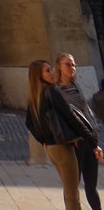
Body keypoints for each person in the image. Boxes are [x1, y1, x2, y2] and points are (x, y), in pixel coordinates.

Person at [26, 58, 99, 210]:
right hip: (62, 148)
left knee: (69, 190)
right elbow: (71, 117)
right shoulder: (51, 91)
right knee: (73, 195)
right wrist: (93, 143)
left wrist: (44, 141)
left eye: (51, 69)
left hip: (51, 150)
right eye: (47, 70)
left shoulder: (35, 94)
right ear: (38, 75)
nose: (52, 72)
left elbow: (29, 123)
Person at [55, 52, 103, 210]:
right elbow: (60, 118)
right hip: (75, 143)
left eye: (73, 64)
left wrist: (94, 130)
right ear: (59, 67)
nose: (72, 67)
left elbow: (86, 110)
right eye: (67, 64)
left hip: (89, 139)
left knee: (91, 185)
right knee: (72, 187)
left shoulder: (75, 86)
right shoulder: (56, 91)